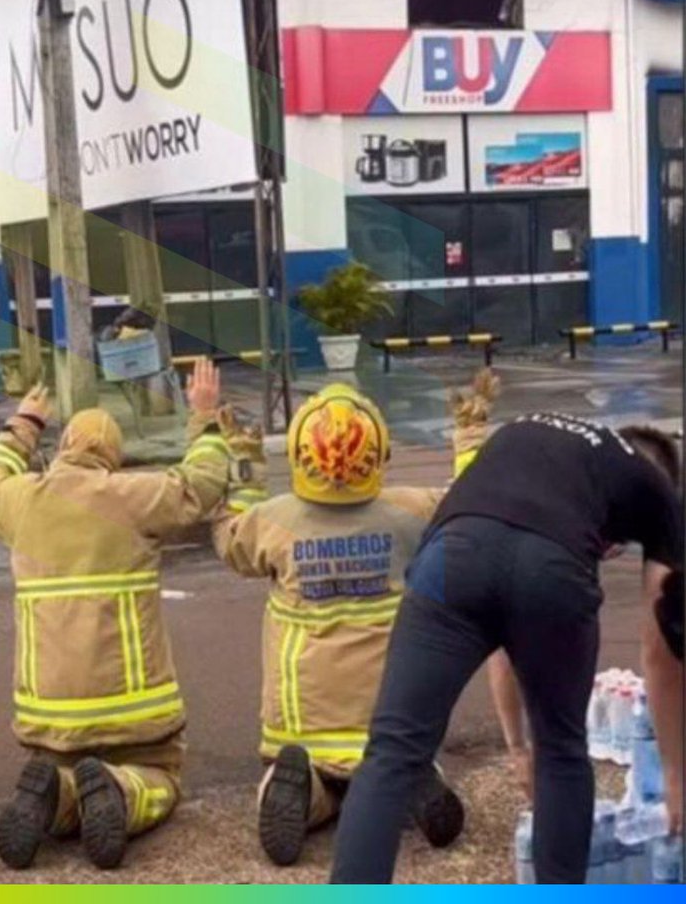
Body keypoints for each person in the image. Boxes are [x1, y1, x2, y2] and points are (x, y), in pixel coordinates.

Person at [331, 413, 685, 885]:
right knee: (561, 750)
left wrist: (517, 747)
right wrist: (675, 773)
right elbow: (660, 642)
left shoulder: (527, 437)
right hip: (551, 574)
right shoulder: (658, 489)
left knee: (392, 753)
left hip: (451, 557)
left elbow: (504, 632)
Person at [212, 373, 497, 866]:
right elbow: (471, 502)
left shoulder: (274, 520)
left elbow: (230, 539)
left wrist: (244, 460)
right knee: (391, 770)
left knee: (300, 778)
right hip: (387, 716)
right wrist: (470, 433)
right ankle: (412, 781)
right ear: (378, 453)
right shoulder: (409, 511)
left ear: (300, 454)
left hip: (302, 719)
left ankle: (305, 793)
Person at [0, 358, 230, 872]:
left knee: (67, 774)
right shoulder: (131, 497)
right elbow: (202, 482)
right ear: (113, 458)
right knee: (160, 778)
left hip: (49, 715)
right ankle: (122, 790)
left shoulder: (21, 502)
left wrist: (23, 425)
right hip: (132, 712)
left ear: (64, 448)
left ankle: (60, 795)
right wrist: (204, 416)